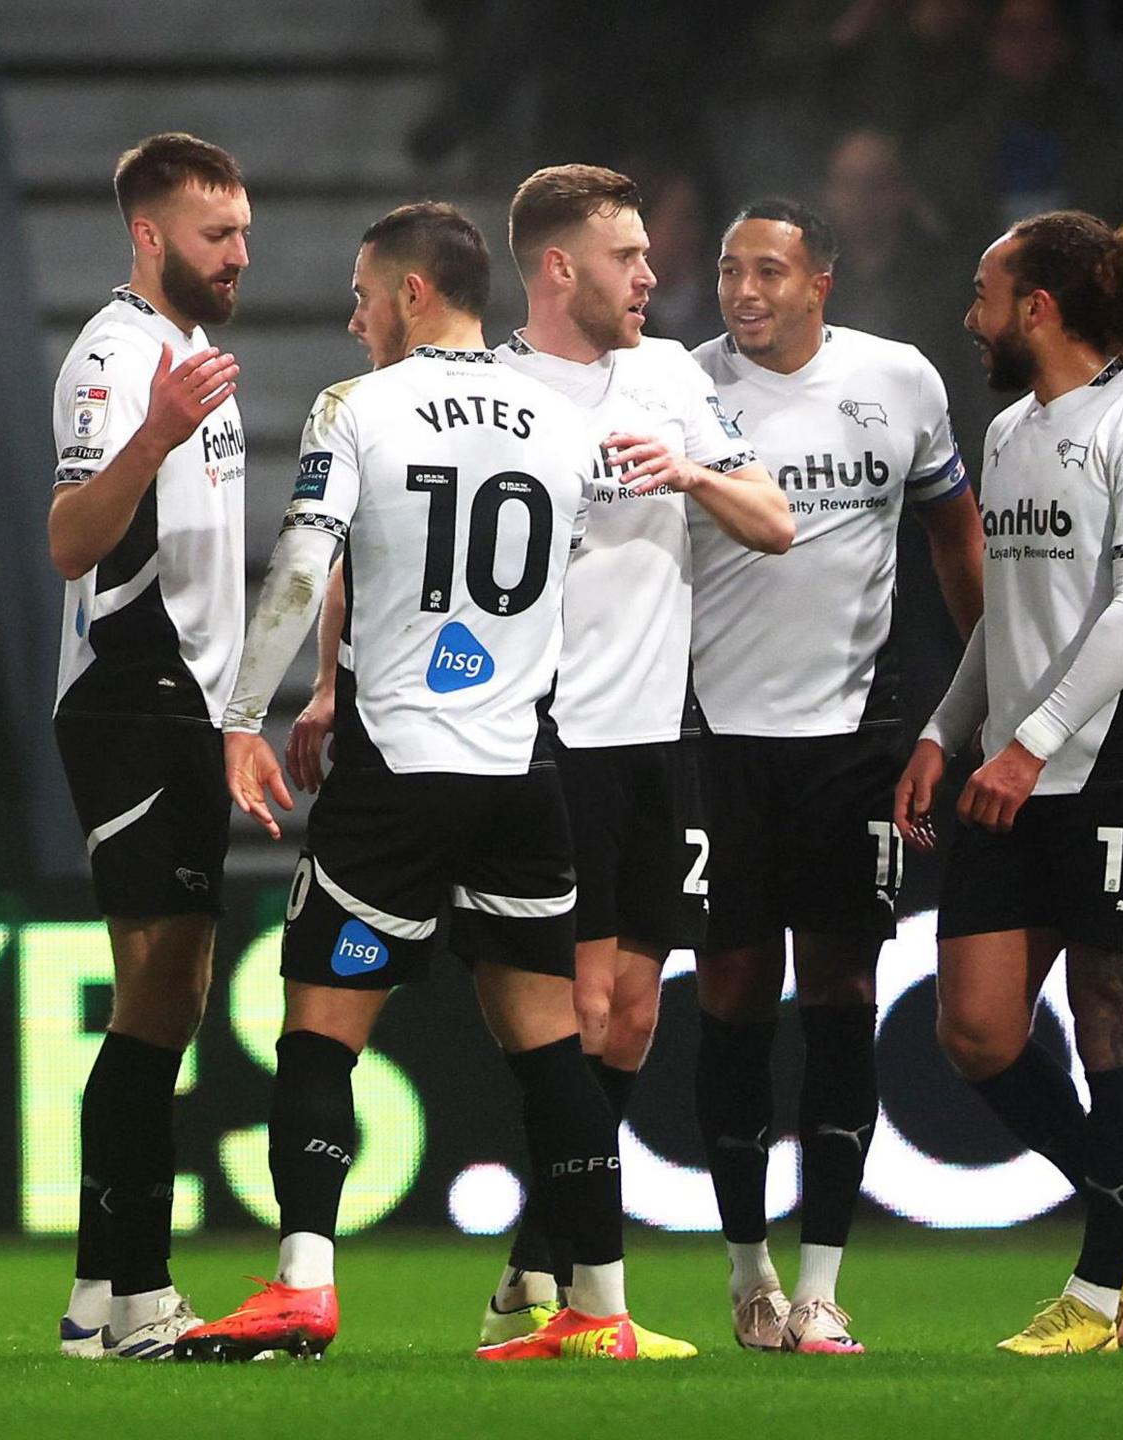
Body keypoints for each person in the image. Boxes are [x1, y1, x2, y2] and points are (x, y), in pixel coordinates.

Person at [175, 201, 687, 1364]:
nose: (353, 320)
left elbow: (308, 563)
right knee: (550, 1053)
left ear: (412, 292)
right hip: (521, 772)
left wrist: (247, 714)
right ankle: (598, 1313)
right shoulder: (560, 423)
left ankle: (303, 1285)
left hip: (398, 770)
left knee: (317, 1035)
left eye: (362, 295)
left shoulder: (356, 408)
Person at [483, 163, 789, 1344]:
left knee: (632, 1024)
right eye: (628, 257)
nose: (654, 276)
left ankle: (526, 1265)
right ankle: (561, 1286)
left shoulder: (667, 379)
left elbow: (774, 523)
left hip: (663, 740)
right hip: (553, 740)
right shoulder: (495, 390)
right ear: (559, 269)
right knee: (579, 1016)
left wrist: (692, 470)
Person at [895, 208, 1123, 1356]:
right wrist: (947, 731)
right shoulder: (1013, 431)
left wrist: (1031, 744)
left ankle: (1090, 1301)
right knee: (975, 1030)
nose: (968, 315)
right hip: (1013, 769)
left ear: (1037, 308)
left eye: (983, 293)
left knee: (1110, 1017)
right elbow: (1010, 615)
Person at [689, 198, 984, 1353]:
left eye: (768, 271)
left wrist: (982, 694)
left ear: (823, 281)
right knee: (726, 1002)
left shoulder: (899, 382)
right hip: (714, 739)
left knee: (840, 1001)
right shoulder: (680, 385)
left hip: (853, 746)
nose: (743, 291)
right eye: (727, 270)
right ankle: (745, 1274)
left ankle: (817, 1287)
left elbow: (953, 535)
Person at [43, 132, 246, 1360]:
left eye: (242, 236)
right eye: (214, 236)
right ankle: (137, 1294)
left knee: (171, 994)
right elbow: (72, 538)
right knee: (154, 990)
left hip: (183, 703)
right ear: (147, 234)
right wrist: (153, 436)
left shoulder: (192, 356)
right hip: (129, 689)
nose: (236, 256)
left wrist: (234, 717)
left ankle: (93, 1299)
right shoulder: (113, 362)